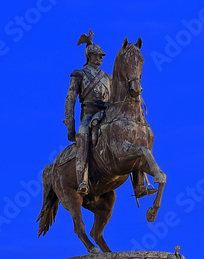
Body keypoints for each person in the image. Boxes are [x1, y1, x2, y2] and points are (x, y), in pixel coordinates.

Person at [65, 31, 156, 198]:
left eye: (101, 56)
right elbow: (70, 100)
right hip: (89, 113)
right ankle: (83, 179)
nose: (100, 58)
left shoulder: (108, 77)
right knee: (84, 135)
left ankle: (139, 185)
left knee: (132, 136)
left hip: (108, 112)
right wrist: (70, 126)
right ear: (89, 56)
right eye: (97, 55)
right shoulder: (79, 74)